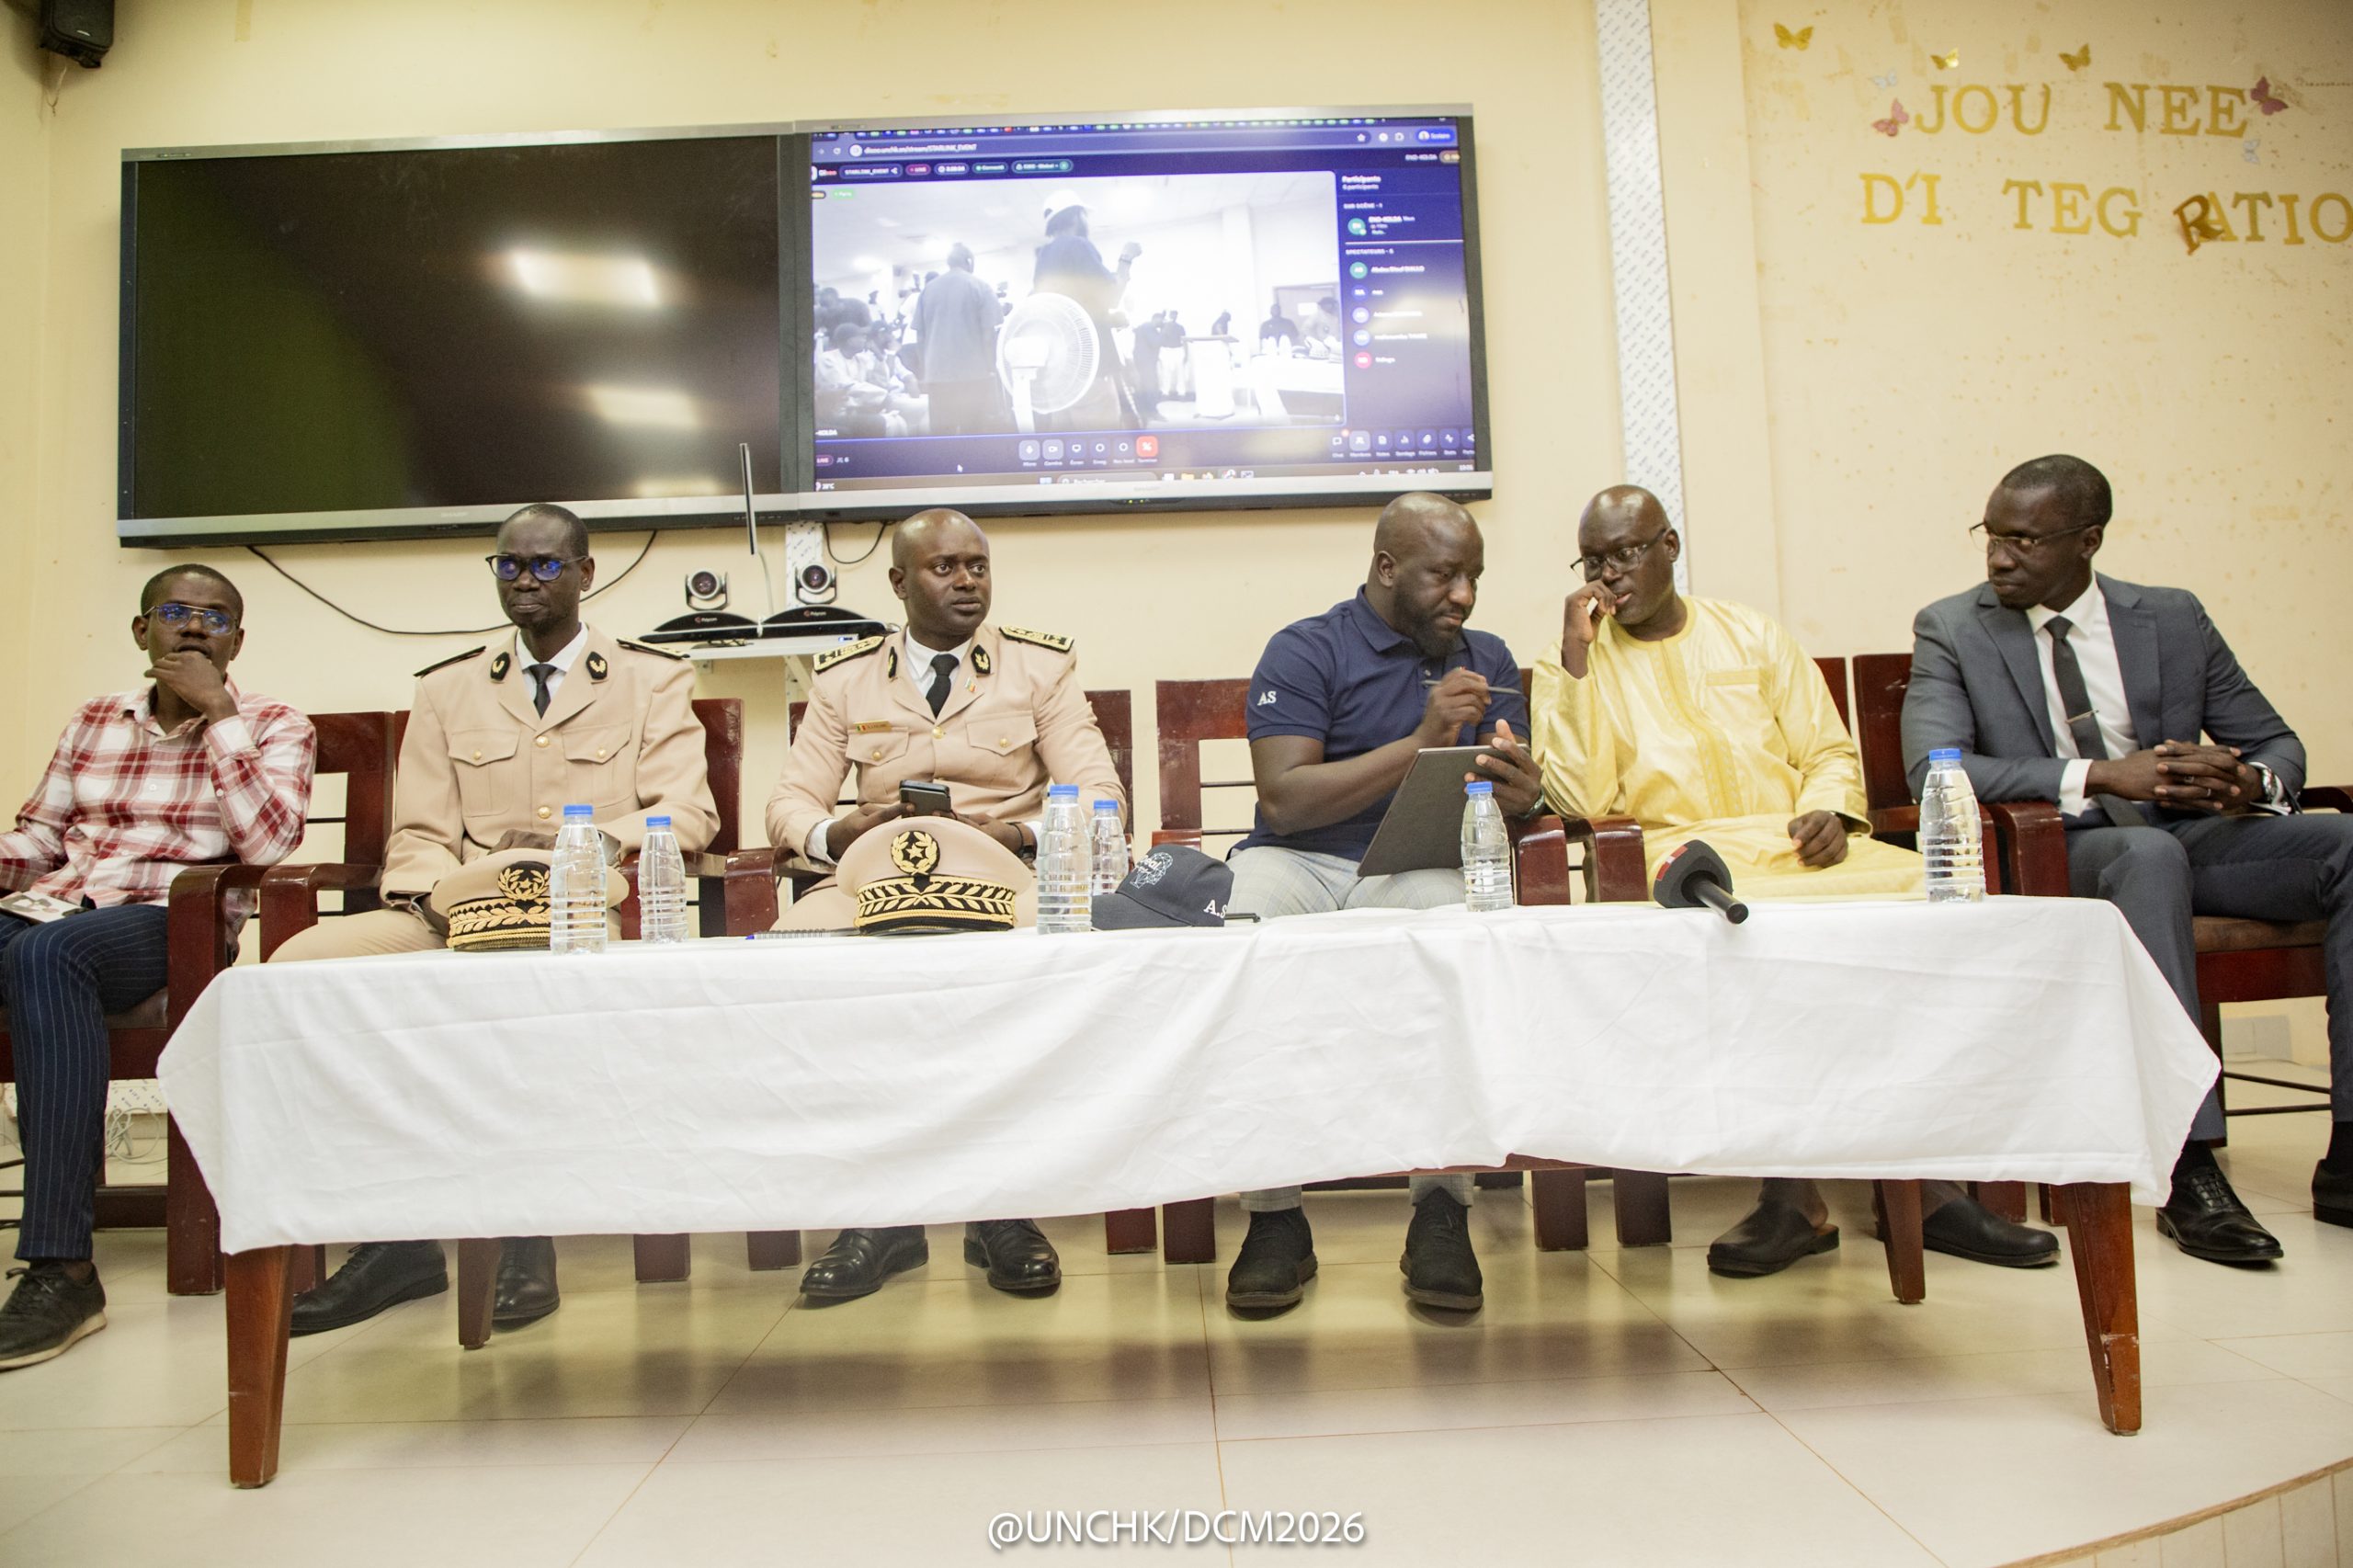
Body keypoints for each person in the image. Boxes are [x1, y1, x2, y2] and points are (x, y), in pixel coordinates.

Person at [1532, 485, 2056, 1278]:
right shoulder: (1572, 663)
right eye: (1593, 562)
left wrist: (1832, 815)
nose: (1609, 576)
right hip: (1686, 861)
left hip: (1800, 849)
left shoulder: (1752, 633)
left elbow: (1828, 754)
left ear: (1670, 547)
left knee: (1936, 910)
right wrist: (1578, 662)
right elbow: (1579, 799)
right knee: (1761, 941)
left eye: (1626, 554)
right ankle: (1794, 1198)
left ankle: (1929, 1183)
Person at [272, 503, 717, 1333]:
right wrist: (442, 901)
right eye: (509, 565)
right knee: (296, 971)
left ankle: (522, 1231)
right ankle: (394, 1235)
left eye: (544, 564)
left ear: (585, 574)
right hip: (460, 909)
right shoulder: (448, 687)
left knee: (520, 987)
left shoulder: (652, 678)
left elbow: (686, 814)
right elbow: (419, 835)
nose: (524, 580)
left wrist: (575, 845)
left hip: (585, 910)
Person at [1905, 453, 2353, 1266]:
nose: (1998, 558)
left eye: (2023, 541)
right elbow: (1938, 767)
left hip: (2187, 837)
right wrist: (2103, 775)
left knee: (2345, 846)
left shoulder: (2171, 617)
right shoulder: (1953, 627)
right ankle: (2189, 1163)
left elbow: (2275, 742)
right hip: (2062, 851)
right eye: (1990, 536)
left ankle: (2351, 1150)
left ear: (2088, 540)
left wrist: (2248, 780)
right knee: (2147, 856)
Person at [767, 507, 1125, 1303]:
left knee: (1038, 977)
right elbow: (788, 804)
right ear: (899, 582)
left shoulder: (1039, 669)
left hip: (1005, 878)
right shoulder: (843, 678)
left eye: (978, 566)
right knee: (792, 963)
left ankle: (1002, 1207)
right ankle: (879, 1216)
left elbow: (1103, 797)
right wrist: (836, 832)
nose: (967, 582)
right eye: (945, 568)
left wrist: (1020, 833)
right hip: (872, 881)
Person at [1222, 493, 1545, 1317]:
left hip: (1414, 862)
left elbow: (1499, 802)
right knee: (1243, 932)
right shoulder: (1305, 649)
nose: (1463, 596)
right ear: (1387, 568)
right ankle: (1274, 1218)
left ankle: (1441, 1210)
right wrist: (1421, 742)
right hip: (1299, 859)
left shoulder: (1488, 659)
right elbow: (1286, 800)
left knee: (1455, 930)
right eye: (1445, 575)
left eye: (1473, 577)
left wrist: (1524, 795)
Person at [0, 567, 314, 1369]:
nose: (195, 627)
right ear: (142, 631)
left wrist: (222, 719)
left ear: (237, 641)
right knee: (41, 953)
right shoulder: (93, 720)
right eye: (176, 612)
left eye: (216, 618)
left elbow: (269, 849)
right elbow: (37, 840)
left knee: (45, 956)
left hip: (167, 923)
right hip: (54, 910)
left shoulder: (275, 724)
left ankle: (63, 1267)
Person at [1032, 204, 1141, 427]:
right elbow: (1111, 296)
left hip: (1059, 368)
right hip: (1090, 366)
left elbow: (1069, 307)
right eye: (1084, 215)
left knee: (1065, 440)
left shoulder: (1043, 256)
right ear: (1075, 217)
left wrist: (1107, 319)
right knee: (1101, 439)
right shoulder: (1078, 245)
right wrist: (1126, 257)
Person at [915, 244, 1006, 437]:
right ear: (969, 262)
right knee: (972, 432)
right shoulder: (981, 287)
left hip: (937, 375)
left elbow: (920, 337)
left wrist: (925, 372)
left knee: (940, 434)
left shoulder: (928, 290)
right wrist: (991, 367)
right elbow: (988, 335)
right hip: (973, 374)